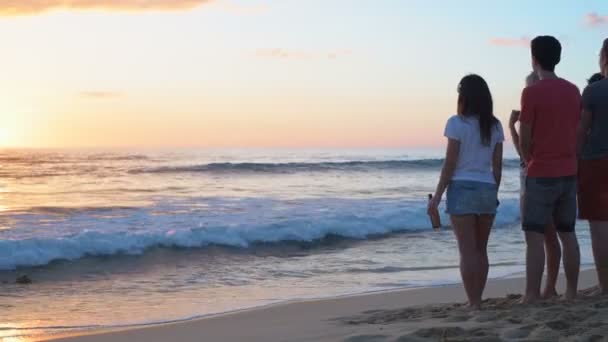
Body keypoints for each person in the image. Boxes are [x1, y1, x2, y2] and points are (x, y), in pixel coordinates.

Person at [428, 74, 504, 308]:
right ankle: (478, 299)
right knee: (481, 250)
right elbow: (497, 167)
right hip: (487, 188)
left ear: (463, 96)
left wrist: (438, 196)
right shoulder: (495, 125)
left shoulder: (456, 123)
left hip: (461, 189)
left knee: (467, 251)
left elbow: (450, 163)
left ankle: (473, 303)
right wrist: (494, 193)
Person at [519, 36, 581, 303]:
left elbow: (525, 137)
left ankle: (532, 293)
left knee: (534, 237)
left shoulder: (531, 92)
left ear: (534, 59)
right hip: (568, 170)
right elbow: (576, 130)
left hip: (541, 171)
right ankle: (571, 292)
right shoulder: (573, 90)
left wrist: (529, 158)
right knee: (568, 234)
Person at [509, 71, 562, 299]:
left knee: (536, 236)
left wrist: (512, 126)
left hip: (533, 177)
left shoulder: (531, 114)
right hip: (559, 174)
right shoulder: (556, 114)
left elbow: (524, 153)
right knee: (552, 235)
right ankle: (550, 287)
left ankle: (535, 291)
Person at [577, 38, 608, 295]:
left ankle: (604, 284)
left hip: (597, 161)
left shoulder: (594, 91)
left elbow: (581, 131)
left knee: (599, 225)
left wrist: (574, 162)